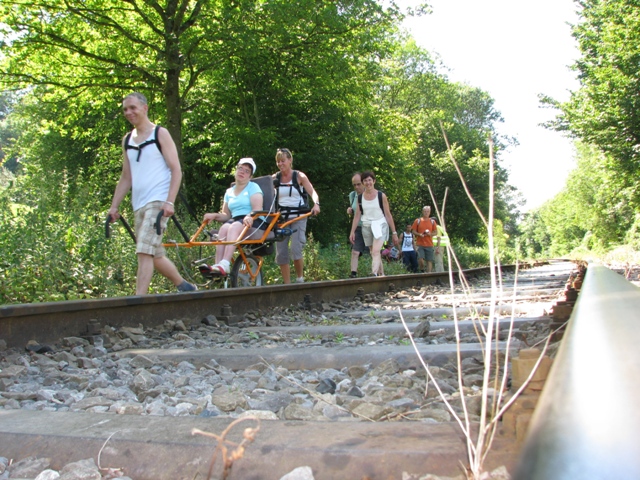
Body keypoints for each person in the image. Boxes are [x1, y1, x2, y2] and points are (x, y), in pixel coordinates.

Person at [108, 92, 197, 295]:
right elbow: (126, 177)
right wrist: (114, 206)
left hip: (158, 201)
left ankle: (138, 300)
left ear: (145, 108)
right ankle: (185, 286)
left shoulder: (160, 134)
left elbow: (176, 169)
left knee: (143, 250)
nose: (128, 112)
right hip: (138, 203)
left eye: (133, 108)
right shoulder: (127, 141)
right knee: (154, 254)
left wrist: (170, 202)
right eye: (125, 109)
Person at [201, 158, 265, 276]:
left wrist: (250, 216)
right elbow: (226, 215)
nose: (242, 172)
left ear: (250, 177)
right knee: (224, 228)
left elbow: (257, 209)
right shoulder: (229, 191)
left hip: (254, 220)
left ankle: (225, 264)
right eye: (240, 168)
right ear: (236, 170)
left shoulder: (253, 187)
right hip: (236, 219)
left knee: (233, 226)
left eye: (246, 171)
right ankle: (218, 265)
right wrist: (214, 215)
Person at [272, 148, 321, 284]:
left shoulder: (299, 176)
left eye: (283, 161)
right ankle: (287, 284)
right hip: (282, 218)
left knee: (295, 248)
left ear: (290, 160)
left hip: (298, 216)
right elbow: (263, 191)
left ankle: (299, 279)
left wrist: (316, 204)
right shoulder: (275, 178)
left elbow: (313, 192)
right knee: (281, 252)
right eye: (278, 162)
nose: (280, 164)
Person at [349, 171, 398, 276]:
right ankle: (381, 274)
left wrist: (394, 232)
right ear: (363, 183)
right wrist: (352, 231)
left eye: (370, 180)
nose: (368, 183)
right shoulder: (360, 198)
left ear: (374, 181)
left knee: (376, 251)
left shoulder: (381, 196)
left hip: (380, 226)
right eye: (365, 181)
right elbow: (357, 216)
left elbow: (388, 215)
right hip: (366, 226)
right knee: (373, 252)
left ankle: (374, 273)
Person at [347, 173, 365, 277]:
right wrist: (349, 210)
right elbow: (353, 209)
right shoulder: (352, 195)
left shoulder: (370, 195)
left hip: (370, 226)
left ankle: (379, 274)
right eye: (354, 185)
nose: (357, 187)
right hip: (358, 226)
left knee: (374, 252)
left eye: (359, 184)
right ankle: (353, 274)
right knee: (355, 252)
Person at [412, 206, 438, 273]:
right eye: (425, 211)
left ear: (429, 212)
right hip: (420, 244)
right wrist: (419, 234)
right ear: (422, 212)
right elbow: (413, 231)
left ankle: (428, 274)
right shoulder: (417, 221)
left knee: (429, 260)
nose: (426, 213)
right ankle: (422, 270)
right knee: (420, 259)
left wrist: (430, 234)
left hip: (429, 244)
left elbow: (436, 232)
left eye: (428, 211)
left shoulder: (432, 222)